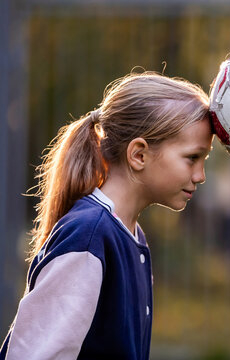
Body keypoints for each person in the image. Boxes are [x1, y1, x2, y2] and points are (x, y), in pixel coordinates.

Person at [0, 72, 213, 360]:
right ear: (139, 155)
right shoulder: (89, 235)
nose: (200, 176)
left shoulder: (129, 234)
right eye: (192, 158)